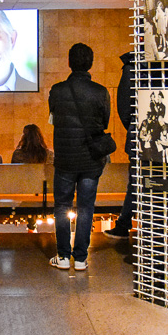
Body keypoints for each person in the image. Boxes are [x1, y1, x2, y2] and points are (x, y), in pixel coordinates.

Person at [48, 43, 110, 270]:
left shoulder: (57, 90)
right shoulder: (101, 92)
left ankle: (63, 256)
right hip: (91, 160)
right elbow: (104, 122)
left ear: (69, 63)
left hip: (65, 159)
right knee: (86, 207)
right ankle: (81, 258)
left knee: (62, 205)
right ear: (90, 63)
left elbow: (53, 118)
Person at [104, 52, 137, 240]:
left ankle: (124, 224)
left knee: (135, 183)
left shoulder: (132, 66)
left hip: (140, 136)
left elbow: (124, 108)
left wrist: (133, 127)